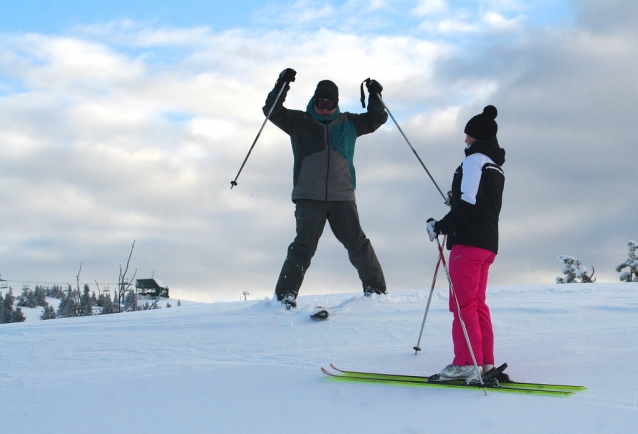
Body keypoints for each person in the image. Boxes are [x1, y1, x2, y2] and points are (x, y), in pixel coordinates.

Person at [263, 68, 388, 309]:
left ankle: (376, 289)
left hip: (342, 196)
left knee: (358, 243)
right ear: (314, 100)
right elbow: (272, 111)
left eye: (330, 103)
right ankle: (286, 294)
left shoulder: (350, 123)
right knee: (303, 246)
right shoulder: (299, 122)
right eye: (321, 102)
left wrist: (375, 96)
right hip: (309, 197)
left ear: (336, 103)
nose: (325, 107)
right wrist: (282, 83)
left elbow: (376, 120)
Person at [426, 105, 505, 383]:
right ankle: (483, 362)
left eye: (468, 136)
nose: (465, 141)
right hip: (487, 244)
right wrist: (456, 199)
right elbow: (477, 201)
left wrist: (441, 225)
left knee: (462, 305)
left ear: (477, 137)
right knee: (476, 303)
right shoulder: (495, 166)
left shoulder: (475, 160)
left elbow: (470, 203)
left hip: (468, 244)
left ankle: (465, 363)